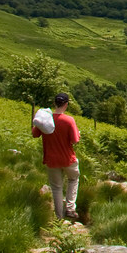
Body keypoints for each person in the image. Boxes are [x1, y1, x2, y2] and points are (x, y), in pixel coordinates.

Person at [32, 92, 81, 220]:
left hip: (51, 159)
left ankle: (59, 218)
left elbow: (35, 134)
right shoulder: (69, 120)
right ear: (66, 104)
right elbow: (75, 140)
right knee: (73, 179)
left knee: (56, 188)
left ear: (55, 103)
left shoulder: (45, 119)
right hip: (67, 158)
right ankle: (70, 208)